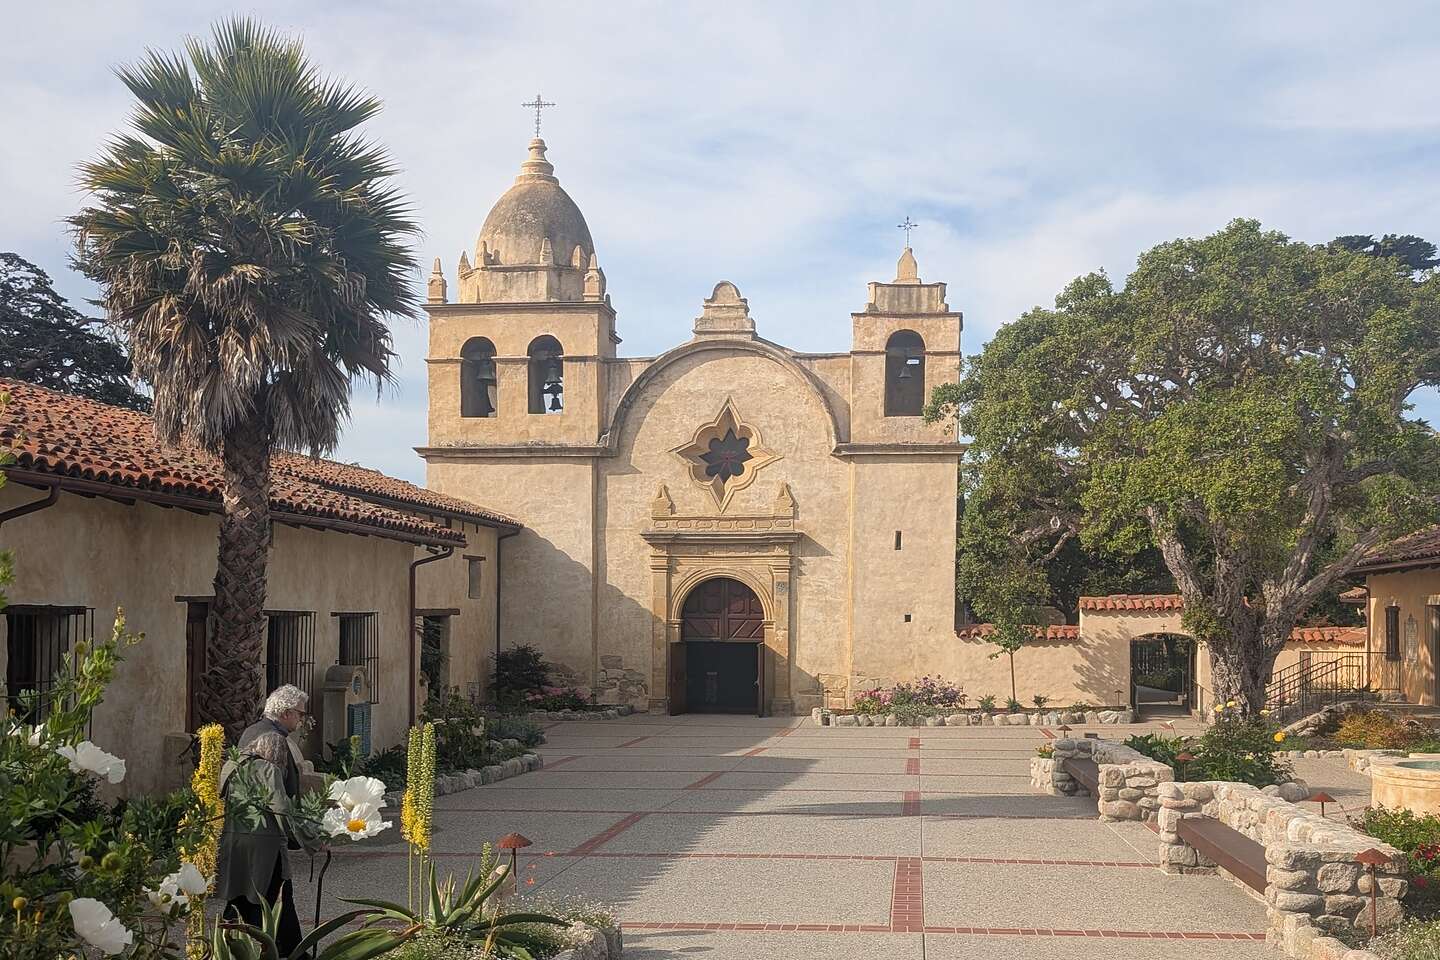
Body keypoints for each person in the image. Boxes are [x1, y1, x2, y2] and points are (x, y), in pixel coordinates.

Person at [214, 686, 311, 954]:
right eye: (300, 714)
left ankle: (229, 948)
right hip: (264, 839)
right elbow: (276, 798)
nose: (301, 720)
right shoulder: (272, 739)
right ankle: (289, 953)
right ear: (287, 712)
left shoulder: (251, 733)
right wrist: (307, 840)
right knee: (275, 901)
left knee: (243, 900)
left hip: (240, 835)